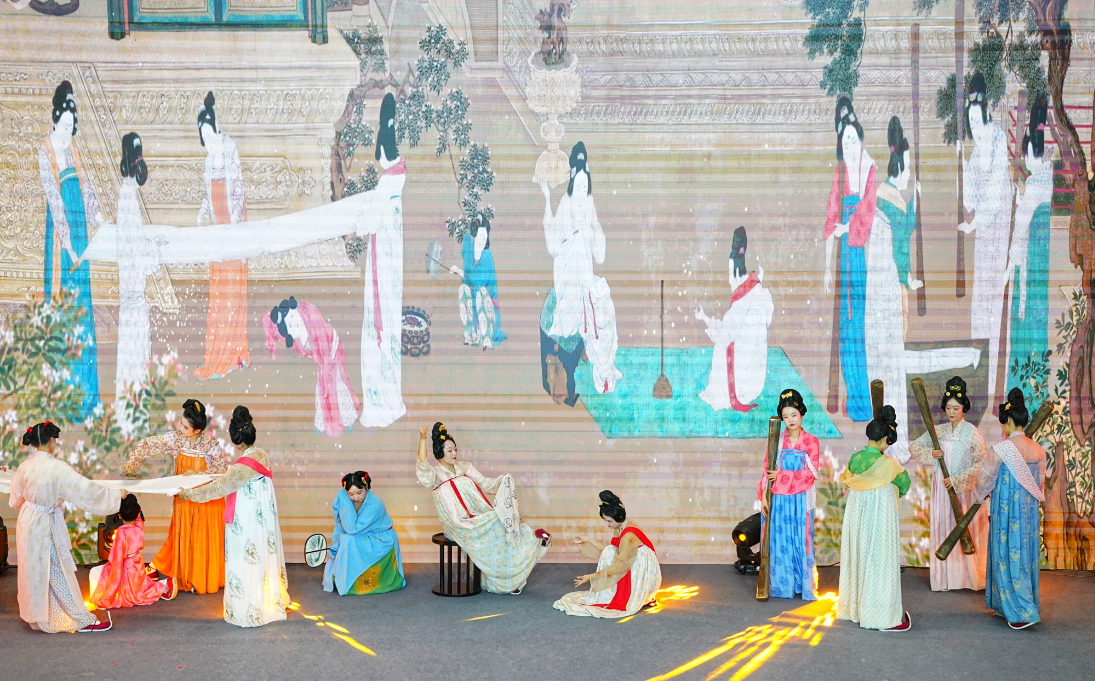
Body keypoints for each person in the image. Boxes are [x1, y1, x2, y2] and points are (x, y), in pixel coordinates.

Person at [179, 406, 289, 627]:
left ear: (236, 440)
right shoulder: (261, 455)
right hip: (261, 519)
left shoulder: (240, 467)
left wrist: (188, 493)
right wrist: (200, 476)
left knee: (244, 557)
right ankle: (266, 598)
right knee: (260, 555)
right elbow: (228, 478)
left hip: (246, 519)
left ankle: (247, 607)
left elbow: (218, 488)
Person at [8, 422, 122, 632]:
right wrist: (116, 497)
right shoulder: (56, 467)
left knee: (33, 570)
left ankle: (37, 616)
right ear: (52, 441)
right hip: (43, 524)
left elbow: (14, 500)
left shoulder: (25, 466)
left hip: (27, 521)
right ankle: (80, 618)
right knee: (56, 569)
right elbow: (85, 490)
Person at [415, 422, 549, 594]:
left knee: (501, 521)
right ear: (439, 453)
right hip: (457, 523)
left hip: (478, 515)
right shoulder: (436, 475)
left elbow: (486, 484)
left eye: (455, 449)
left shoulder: (465, 468)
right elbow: (423, 467)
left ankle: (512, 576)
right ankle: (514, 568)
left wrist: (502, 480)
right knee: (496, 520)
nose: (454, 453)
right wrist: (422, 439)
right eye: (449, 450)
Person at [38, 81, 103, 419]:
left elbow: (86, 189)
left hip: (80, 234)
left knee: (83, 305)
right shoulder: (45, 151)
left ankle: (87, 395)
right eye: (63, 125)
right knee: (66, 308)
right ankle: (64, 395)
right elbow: (55, 201)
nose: (67, 131)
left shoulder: (72, 148)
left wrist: (98, 217)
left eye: (71, 126)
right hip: (62, 239)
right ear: (56, 119)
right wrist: (69, 248)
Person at [539, 141, 622, 395]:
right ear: (573, 181)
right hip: (569, 269)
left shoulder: (589, 202)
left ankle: (605, 367)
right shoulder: (566, 202)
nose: (583, 189)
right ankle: (590, 365)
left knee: (604, 309)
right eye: (579, 185)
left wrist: (591, 234)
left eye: (586, 186)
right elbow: (555, 244)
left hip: (585, 269)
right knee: (582, 314)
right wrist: (548, 200)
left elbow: (598, 243)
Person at [124, 398, 228, 594]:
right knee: (181, 534)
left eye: (186, 427)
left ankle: (201, 579)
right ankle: (183, 576)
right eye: (181, 424)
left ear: (197, 430)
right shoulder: (178, 439)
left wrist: (197, 475)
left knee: (201, 538)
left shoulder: (210, 444)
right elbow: (148, 444)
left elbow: (221, 469)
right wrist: (133, 462)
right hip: (184, 499)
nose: (181, 429)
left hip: (206, 500)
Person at [865, 116, 920, 455]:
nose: (910, 170)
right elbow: (901, 245)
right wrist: (907, 279)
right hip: (887, 288)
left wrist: (914, 202)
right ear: (899, 163)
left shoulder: (887, 197)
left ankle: (885, 436)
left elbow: (903, 231)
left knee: (885, 359)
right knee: (891, 361)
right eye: (908, 165)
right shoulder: (889, 200)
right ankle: (893, 441)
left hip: (881, 289)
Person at [959, 72, 1013, 401]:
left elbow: (993, 194)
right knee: (980, 297)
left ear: (986, 115)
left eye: (978, 121)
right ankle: (979, 371)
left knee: (994, 298)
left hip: (997, 229)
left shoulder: (997, 139)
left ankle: (995, 378)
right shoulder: (976, 151)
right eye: (970, 123)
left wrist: (977, 220)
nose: (975, 128)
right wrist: (962, 167)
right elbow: (970, 200)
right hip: (982, 233)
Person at [823, 95, 877, 422]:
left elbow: (867, 214)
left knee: (861, 325)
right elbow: (831, 220)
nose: (851, 146)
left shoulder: (869, 168)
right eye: (845, 142)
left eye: (853, 139)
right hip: (843, 257)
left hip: (861, 255)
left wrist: (849, 227)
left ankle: (866, 400)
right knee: (846, 329)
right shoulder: (840, 174)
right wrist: (827, 267)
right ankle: (855, 398)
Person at [355, 93, 407, 427]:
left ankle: (381, 404)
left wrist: (357, 221)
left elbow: (366, 223)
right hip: (391, 258)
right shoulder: (398, 177)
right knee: (389, 326)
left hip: (382, 262)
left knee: (378, 326)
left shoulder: (387, 181)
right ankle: (390, 398)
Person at [837, 405, 913, 631]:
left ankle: (855, 609)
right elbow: (905, 484)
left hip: (857, 514)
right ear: (884, 440)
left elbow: (848, 478)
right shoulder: (889, 464)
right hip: (880, 516)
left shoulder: (855, 459)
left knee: (859, 555)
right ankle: (881, 616)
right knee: (879, 559)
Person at [909, 376, 989, 591]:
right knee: (943, 527)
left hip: (962, 491)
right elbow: (915, 447)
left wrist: (958, 480)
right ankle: (944, 579)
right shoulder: (940, 430)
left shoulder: (972, 433)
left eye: (956, 408)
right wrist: (932, 454)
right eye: (948, 408)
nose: (952, 412)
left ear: (964, 409)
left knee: (962, 529)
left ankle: (967, 578)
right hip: (942, 489)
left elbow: (982, 463)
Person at [977, 388, 1046, 629]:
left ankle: (1020, 610)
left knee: (1007, 550)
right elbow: (1040, 484)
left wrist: (978, 496)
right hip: (1028, 511)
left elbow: (984, 480)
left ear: (1007, 422)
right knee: (1024, 552)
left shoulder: (1002, 450)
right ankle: (1015, 605)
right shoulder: (1038, 450)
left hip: (1007, 509)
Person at [194, 91, 250, 381]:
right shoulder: (207, 162)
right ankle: (218, 356)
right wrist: (201, 215)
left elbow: (238, 189)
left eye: (210, 134)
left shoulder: (230, 148)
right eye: (203, 137)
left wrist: (236, 226)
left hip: (234, 231)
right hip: (217, 234)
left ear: (216, 129)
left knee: (233, 294)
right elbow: (208, 196)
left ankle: (236, 355)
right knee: (219, 298)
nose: (208, 141)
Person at [697, 226, 774, 412]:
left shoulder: (742, 300)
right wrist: (706, 319)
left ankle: (722, 394)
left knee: (720, 347)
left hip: (742, 383)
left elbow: (725, 336)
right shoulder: (760, 291)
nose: (729, 281)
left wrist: (707, 322)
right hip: (755, 378)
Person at [1007, 95, 1053, 393]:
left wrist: (1010, 263)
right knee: (1039, 317)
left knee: (1024, 323)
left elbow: (1021, 228)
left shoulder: (1035, 184)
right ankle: (1037, 387)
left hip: (1028, 261)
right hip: (1041, 261)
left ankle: (1021, 389)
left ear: (1031, 155)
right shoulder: (1046, 179)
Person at [262, 296, 360, 437]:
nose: (294, 324)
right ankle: (323, 422)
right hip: (322, 361)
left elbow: (325, 345)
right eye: (290, 326)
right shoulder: (298, 341)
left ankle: (347, 418)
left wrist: (327, 368)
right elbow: (268, 321)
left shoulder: (312, 318)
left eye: (293, 318)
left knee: (338, 385)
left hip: (332, 350)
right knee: (322, 390)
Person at [554, 490, 661, 618]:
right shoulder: (621, 525)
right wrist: (588, 540)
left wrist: (591, 577)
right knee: (609, 551)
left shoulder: (628, 536)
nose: (607, 524)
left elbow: (618, 567)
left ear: (619, 518)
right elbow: (610, 550)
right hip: (629, 557)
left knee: (609, 553)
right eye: (605, 520)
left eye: (609, 521)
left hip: (639, 564)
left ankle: (641, 594)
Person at [755, 389, 819, 601]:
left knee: (801, 538)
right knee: (780, 539)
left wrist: (782, 475)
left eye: (794, 414)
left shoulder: (811, 442)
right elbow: (767, 470)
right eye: (785, 416)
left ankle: (802, 584)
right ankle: (782, 585)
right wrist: (764, 496)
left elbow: (811, 474)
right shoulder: (777, 440)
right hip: (779, 498)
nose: (790, 420)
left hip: (801, 499)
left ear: (802, 414)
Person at [113, 132, 161, 412]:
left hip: (131, 288)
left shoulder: (127, 193)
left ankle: (133, 406)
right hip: (132, 289)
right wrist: (153, 250)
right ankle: (132, 408)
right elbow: (135, 251)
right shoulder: (128, 197)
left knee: (134, 352)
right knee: (134, 352)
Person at [322, 471, 406, 595]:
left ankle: (349, 583)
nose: (356, 497)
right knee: (345, 539)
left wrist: (342, 497)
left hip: (382, 539)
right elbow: (340, 525)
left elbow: (352, 529)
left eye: (359, 492)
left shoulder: (375, 504)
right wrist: (343, 497)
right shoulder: (349, 501)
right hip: (367, 535)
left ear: (365, 487)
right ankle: (343, 578)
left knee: (348, 540)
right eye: (351, 494)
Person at [90, 494, 177, 609]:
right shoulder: (139, 527)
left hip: (126, 566)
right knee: (140, 586)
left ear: (119, 515)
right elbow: (139, 518)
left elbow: (117, 557)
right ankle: (165, 585)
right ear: (137, 513)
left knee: (102, 572)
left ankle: (106, 598)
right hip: (137, 562)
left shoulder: (121, 531)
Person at [449, 214, 506, 349]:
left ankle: (486, 337)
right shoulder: (470, 254)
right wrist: (458, 270)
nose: (481, 241)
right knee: (464, 289)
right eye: (479, 237)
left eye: (484, 238)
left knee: (481, 293)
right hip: (474, 299)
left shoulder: (487, 257)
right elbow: (468, 280)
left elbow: (478, 283)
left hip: (488, 305)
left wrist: (460, 272)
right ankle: (471, 334)